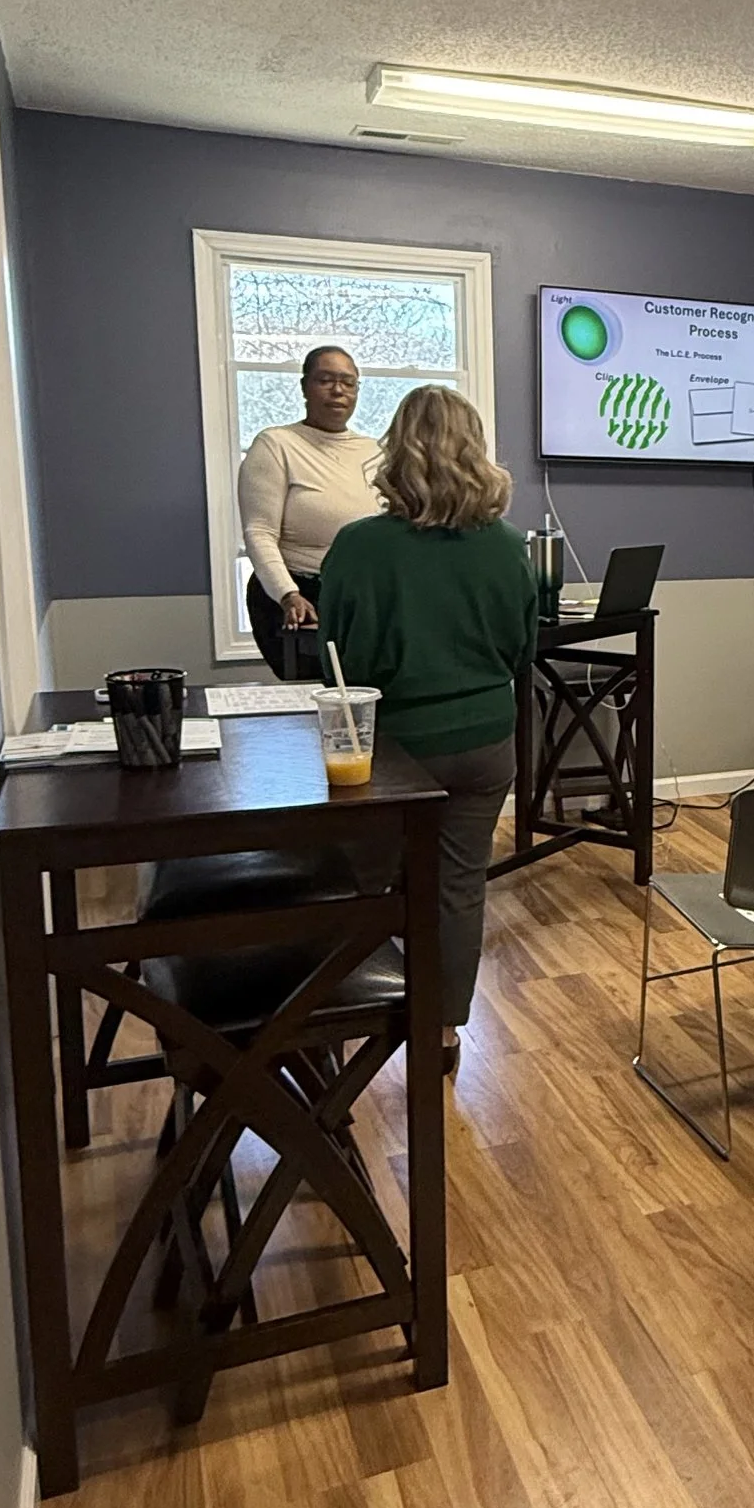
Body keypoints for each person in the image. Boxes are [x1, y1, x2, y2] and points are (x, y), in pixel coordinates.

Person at [313, 388, 536, 1052]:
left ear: (395, 452)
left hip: (391, 751)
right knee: (459, 885)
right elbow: (522, 647)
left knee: (362, 886)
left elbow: (338, 666)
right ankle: (439, 1031)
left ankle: (339, 1029)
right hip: (485, 742)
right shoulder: (508, 545)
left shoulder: (356, 547)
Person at [237, 345, 383, 673]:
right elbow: (259, 533)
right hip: (298, 595)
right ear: (305, 387)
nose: (338, 390)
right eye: (326, 380)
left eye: (348, 382)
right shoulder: (276, 444)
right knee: (316, 699)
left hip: (357, 598)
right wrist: (287, 594)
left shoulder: (374, 451)